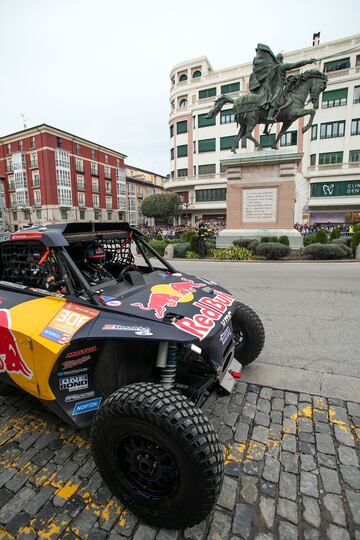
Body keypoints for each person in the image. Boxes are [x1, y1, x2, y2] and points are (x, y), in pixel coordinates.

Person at [249, 44, 317, 133]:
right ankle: (269, 117)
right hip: (277, 88)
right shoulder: (281, 66)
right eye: (281, 59)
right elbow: (295, 65)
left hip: (278, 86)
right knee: (276, 99)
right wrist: (307, 61)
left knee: (280, 100)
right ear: (280, 60)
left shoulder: (274, 68)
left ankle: (266, 127)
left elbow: (282, 79)